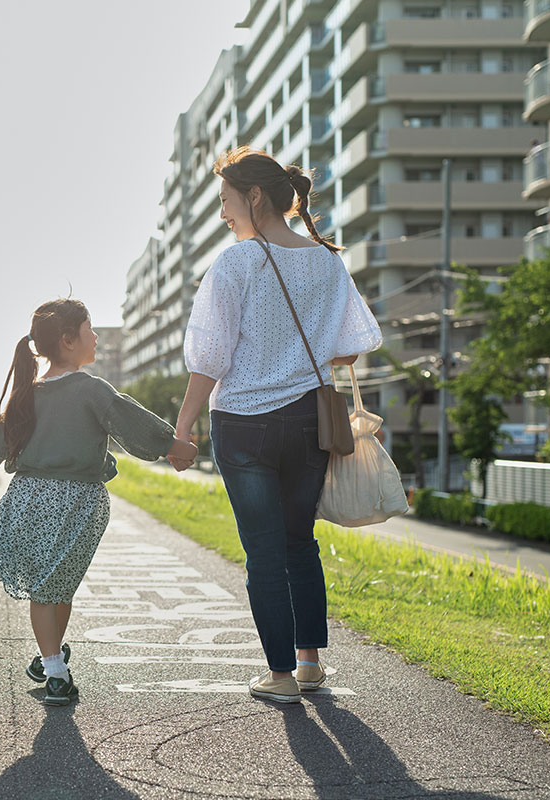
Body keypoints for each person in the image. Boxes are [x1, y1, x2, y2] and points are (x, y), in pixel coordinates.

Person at [171, 146, 382, 704]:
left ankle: (280, 676)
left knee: (263, 551)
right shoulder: (327, 261)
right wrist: (298, 350)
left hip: (243, 423)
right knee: (298, 542)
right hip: (308, 419)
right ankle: (309, 664)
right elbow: (351, 349)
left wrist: (184, 426)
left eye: (226, 202)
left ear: (255, 197)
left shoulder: (234, 263)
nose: (223, 215)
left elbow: (209, 357)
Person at [0, 299, 198, 706]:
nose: (96, 338)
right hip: (76, 500)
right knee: (50, 586)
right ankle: (55, 671)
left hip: (31, 498)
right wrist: (174, 446)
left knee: (56, 583)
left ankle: (48, 654)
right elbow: (131, 421)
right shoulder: (90, 389)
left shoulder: (28, 394)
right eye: (91, 331)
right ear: (69, 340)